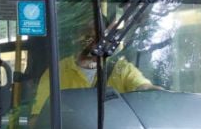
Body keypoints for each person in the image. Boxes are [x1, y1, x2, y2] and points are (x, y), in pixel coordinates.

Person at [29, 20, 158, 118]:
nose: (94, 39)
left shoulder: (122, 69)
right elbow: (37, 120)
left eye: (99, 35)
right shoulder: (56, 72)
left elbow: (145, 89)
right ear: (76, 38)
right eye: (87, 34)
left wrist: (162, 95)